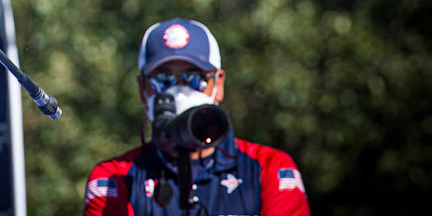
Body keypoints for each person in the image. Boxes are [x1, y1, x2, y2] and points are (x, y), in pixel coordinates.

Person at [84, 18, 310, 215]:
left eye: (195, 78)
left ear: (218, 84)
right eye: (163, 79)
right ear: (143, 90)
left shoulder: (270, 169)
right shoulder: (114, 177)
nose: (179, 91)